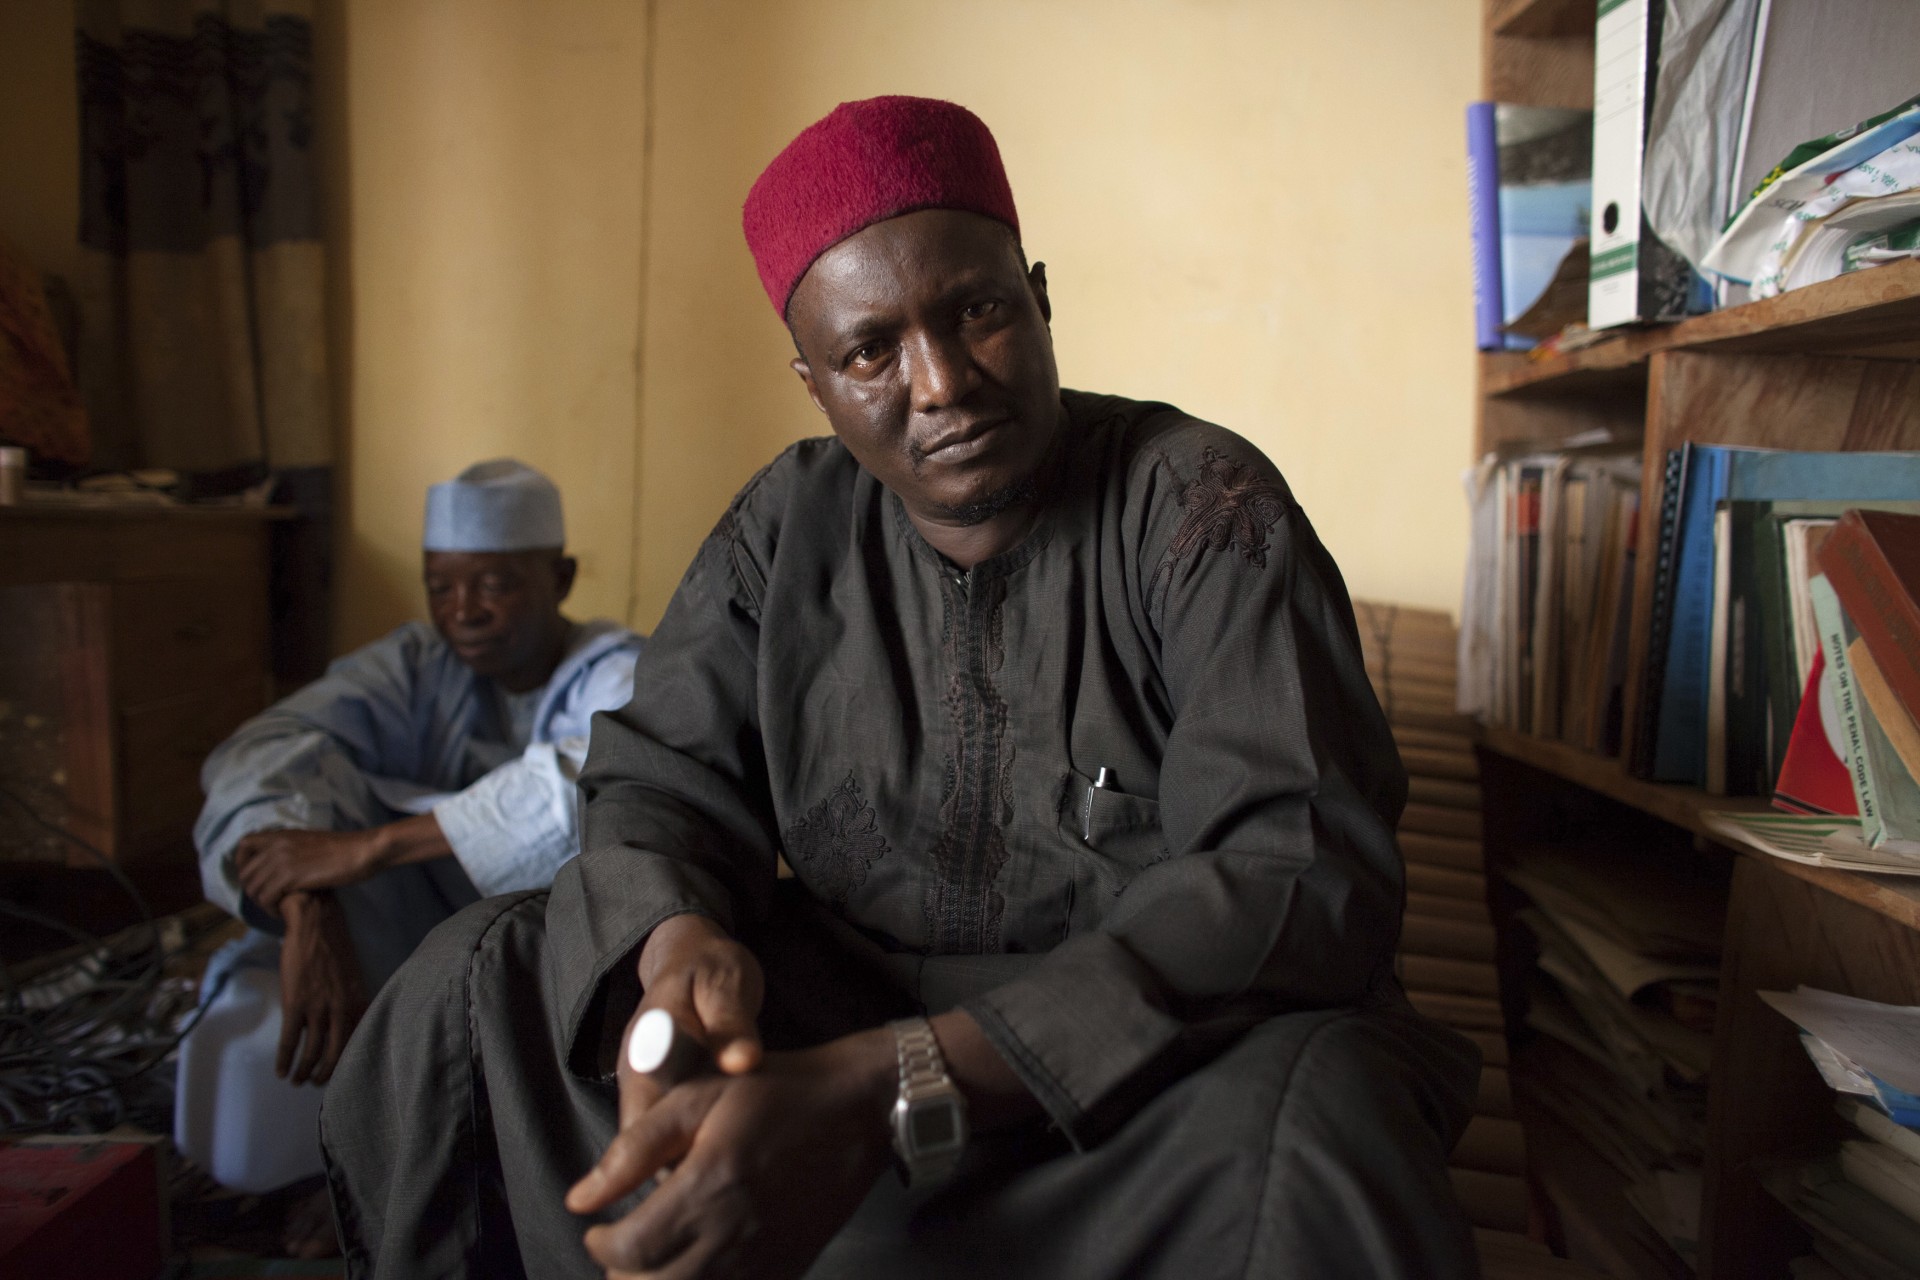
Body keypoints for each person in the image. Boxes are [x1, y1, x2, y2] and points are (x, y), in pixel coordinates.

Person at [323, 98, 1480, 1279]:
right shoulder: (784, 527)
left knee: (1323, 1123)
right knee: (479, 976)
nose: (940, 383)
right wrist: (680, 957)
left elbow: (1296, 866)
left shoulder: (1201, 507)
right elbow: (654, 779)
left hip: (1129, 1091)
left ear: (1036, 293)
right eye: (870, 350)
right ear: (813, 380)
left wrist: (902, 1077)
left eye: (976, 311)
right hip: (827, 1030)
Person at [178, 459, 644, 1240]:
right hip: (408, 936)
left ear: (558, 577)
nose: (463, 612)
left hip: (559, 959)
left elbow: (589, 783)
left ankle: (413, 1189)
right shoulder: (415, 666)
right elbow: (261, 751)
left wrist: (366, 850)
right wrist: (307, 904)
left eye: (494, 585)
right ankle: (352, 1163)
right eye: (441, 586)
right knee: (307, 777)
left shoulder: (615, 664)